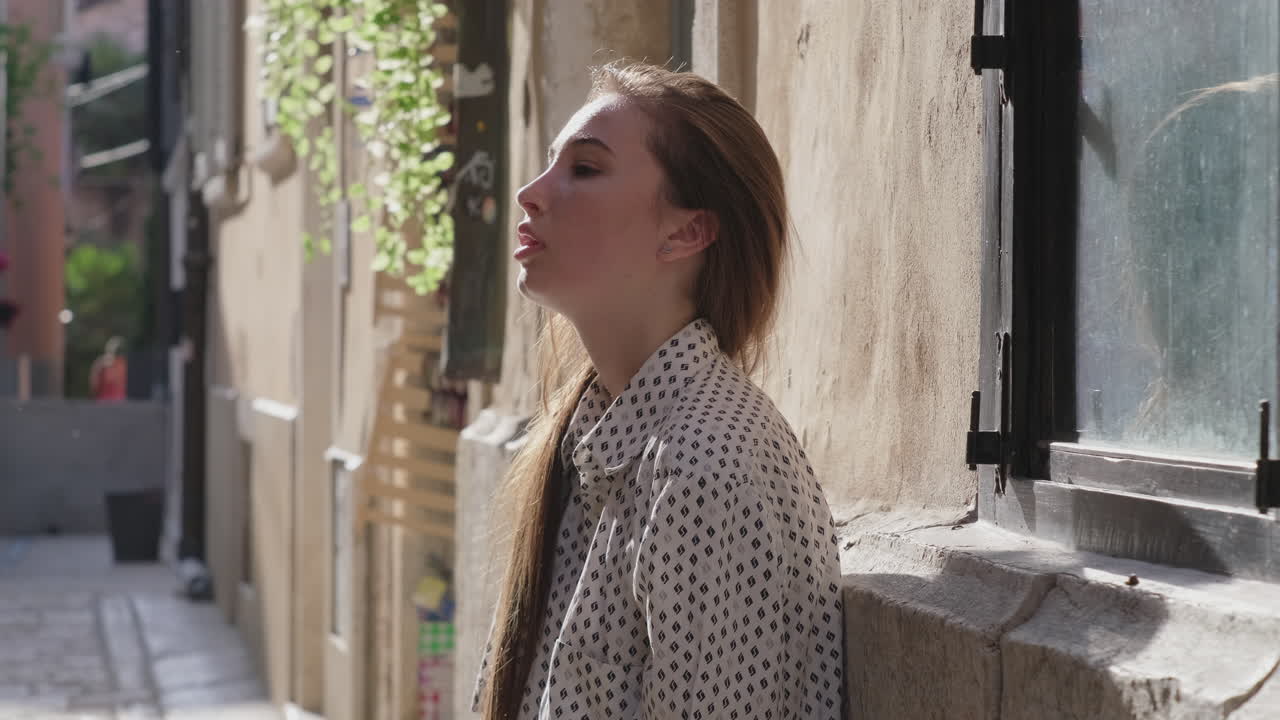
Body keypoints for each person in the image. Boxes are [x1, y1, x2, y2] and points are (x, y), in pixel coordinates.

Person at [473, 61, 844, 720]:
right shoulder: (589, 445)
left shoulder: (704, 467)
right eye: (552, 162)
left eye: (585, 169)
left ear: (685, 232)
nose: (531, 193)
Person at [89, 336, 128, 402]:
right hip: (104, 399)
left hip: (118, 400)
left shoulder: (122, 363)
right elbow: (94, 382)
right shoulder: (101, 363)